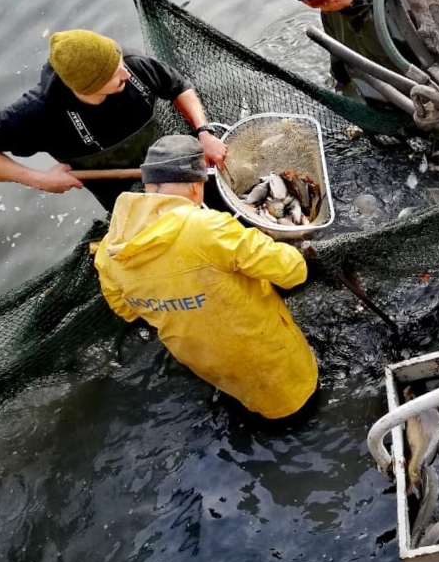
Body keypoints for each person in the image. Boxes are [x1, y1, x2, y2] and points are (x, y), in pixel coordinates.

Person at [94, 135, 318, 421]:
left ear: (149, 186)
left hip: (204, 361)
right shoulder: (210, 228)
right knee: (295, 400)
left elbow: (125, 310)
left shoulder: (107, 251)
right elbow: (293, 273)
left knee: (245, 398)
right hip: (266, 355)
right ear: (195, 185)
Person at [0, 29, 227, 212]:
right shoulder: (39, 112)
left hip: (171, 161)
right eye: (114, 74)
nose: (126, 75)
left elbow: (179, 87)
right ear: (86, 87)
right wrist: (38, 179)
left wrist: (203, 131)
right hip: (122, 192)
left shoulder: (132, 65)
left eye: (120, 63)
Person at [291, 0, 416, 104]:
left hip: (409, 100)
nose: (321, 11)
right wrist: (340, 80)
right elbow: (336, 49)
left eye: (318, 6)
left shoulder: (401, 4)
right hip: (373, 95)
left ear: (336, 1)